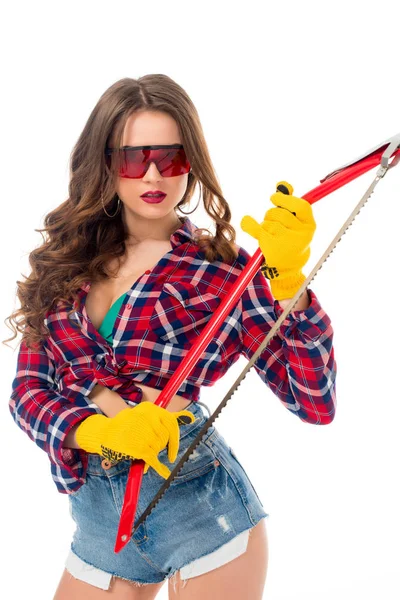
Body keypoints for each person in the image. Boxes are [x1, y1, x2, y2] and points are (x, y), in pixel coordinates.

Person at [5, 74, 337, 599]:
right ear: (105, 164)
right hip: (99, 518)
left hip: (201, 511)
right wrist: (97, 433)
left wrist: (288, 283)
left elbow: (314, 399)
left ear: (192, 162)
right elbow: (27, 393)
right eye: (134, 159)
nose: (154, 173)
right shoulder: (65, 264)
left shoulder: (225, 273)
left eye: (171, 157)